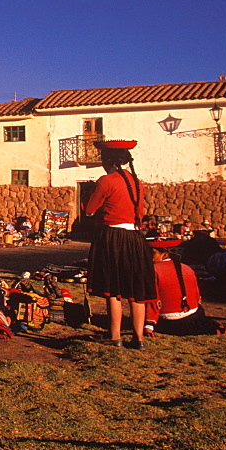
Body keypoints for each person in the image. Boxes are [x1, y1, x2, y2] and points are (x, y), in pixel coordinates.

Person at [83, 140, 155, 349]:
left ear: (109, 160)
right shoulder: (137, 183)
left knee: (113, 287)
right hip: (135, 238)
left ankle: (115, 335)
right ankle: (139, 337)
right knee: (136, 288)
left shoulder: (107, 180)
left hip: (113, 236)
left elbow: (90, 208)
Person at [145, 241, 226, 336]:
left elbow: (152, 299)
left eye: (152, 253)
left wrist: (149, 325)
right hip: (191, 317)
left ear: (165, 255)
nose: (149, 257)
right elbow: (196, 295)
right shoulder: (187, 268)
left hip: (168, 321)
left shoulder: (152, 270)